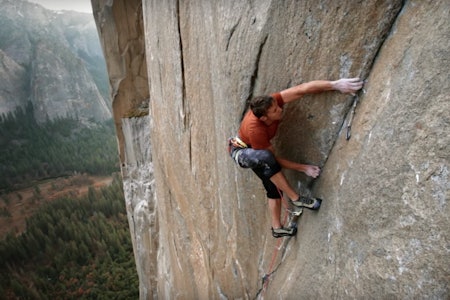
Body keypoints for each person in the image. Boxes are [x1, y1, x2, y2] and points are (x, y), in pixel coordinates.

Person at [229, 78, 364, 238]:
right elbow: (272, 158)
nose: (280, 109)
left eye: (277, 106)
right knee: (265, 158)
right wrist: (303, 168)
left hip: (256, 153)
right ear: (264, 118)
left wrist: (335, 85)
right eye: (274, 111)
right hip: (241, 152)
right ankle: (296, 198)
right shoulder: (255, 130)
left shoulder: (271, 103)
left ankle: (277, 228)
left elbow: (302, 89)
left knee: (274, 187)